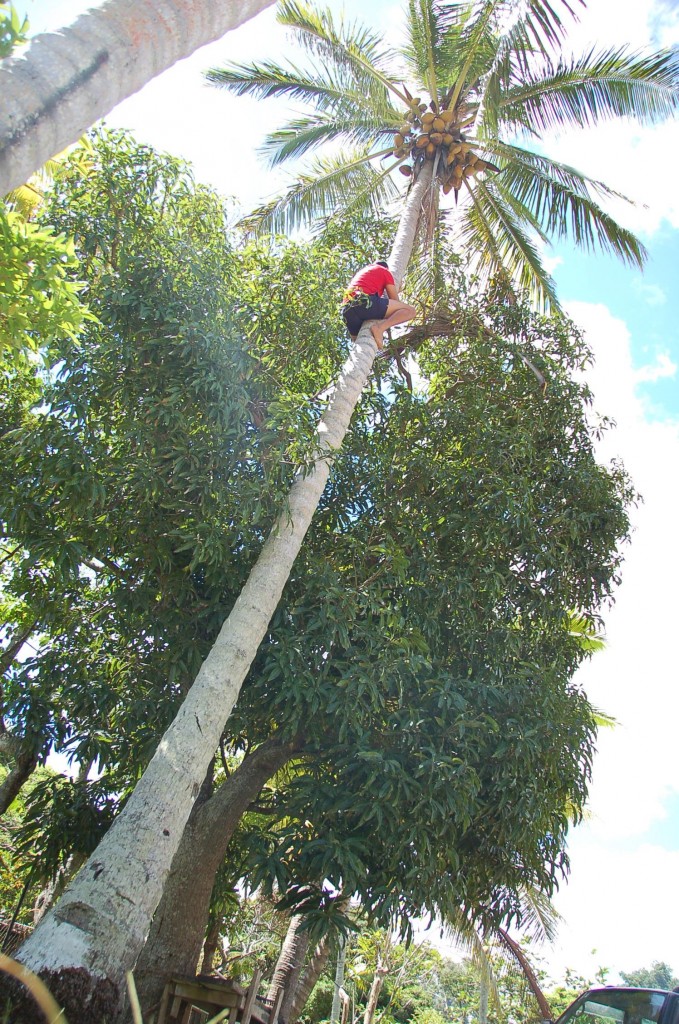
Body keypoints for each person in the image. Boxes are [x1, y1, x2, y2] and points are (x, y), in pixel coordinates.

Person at [341, 260, 416, 350]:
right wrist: (398, 290)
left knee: (359, 345)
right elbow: (395, 301)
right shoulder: (384, 271)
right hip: (364, 302)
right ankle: (380, 328)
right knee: (410, 311)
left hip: (346, 310)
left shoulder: (364, 272)